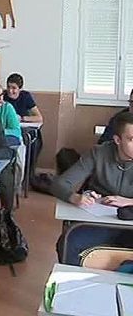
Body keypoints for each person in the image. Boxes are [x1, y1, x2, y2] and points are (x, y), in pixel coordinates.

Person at [53, 111, 133, 266]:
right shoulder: (98, 153)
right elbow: (59, 184)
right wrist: (75, 197)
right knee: (69, 242)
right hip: (99, 222)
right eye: (132, 139)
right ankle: (73, 286)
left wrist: (129, 201)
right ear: (117, 140)